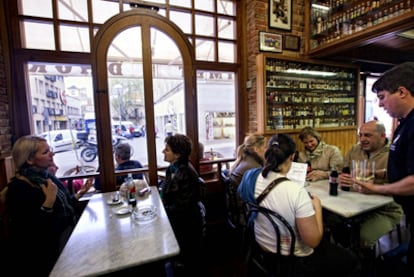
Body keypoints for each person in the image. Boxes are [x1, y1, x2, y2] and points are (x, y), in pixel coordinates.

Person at [238, 134, 360, 277]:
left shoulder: (251, 176)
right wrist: (317, 208)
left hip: (261, 247)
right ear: (292, 156)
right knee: (352, 261)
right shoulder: (296, 191)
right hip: (293, 260)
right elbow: (313, 242)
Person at [3, 135, 93, 276]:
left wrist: (79, 194)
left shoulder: (46, 177)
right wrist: (48, 201)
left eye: (50, 150)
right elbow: (28, 232)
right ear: (30, 159)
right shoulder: (18, 188)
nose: (52, 154)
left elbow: (62, 207)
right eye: (45, 152)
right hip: (44, 257)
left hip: (63, 239)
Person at [355, 62, 414, 275]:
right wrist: (378, 174)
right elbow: (405, 169)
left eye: (382, 96)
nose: (380, 105)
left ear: (402, 92)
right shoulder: (404, 123)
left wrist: (376, 188)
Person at [336, 120, 403, 249]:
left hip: (386, 208)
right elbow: (342, 170)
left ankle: (366, 263)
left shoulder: (395, 153)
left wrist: (375, 187)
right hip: (354, 204)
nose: (362, 139)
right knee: (331, 222)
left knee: (363, 237)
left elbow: (402, 185)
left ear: (382, 136)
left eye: (367, 135)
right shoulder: (355, 149)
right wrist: (342, 177)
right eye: (360, 135)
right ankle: (350, 257)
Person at [159, 134, 206, 275]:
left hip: (187, 225)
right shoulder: (173, 168)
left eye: (167, 150)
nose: (163, 151)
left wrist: (162, 211)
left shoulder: (186, 173)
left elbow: (181, 208)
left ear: (178, 154)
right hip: (180, 218)